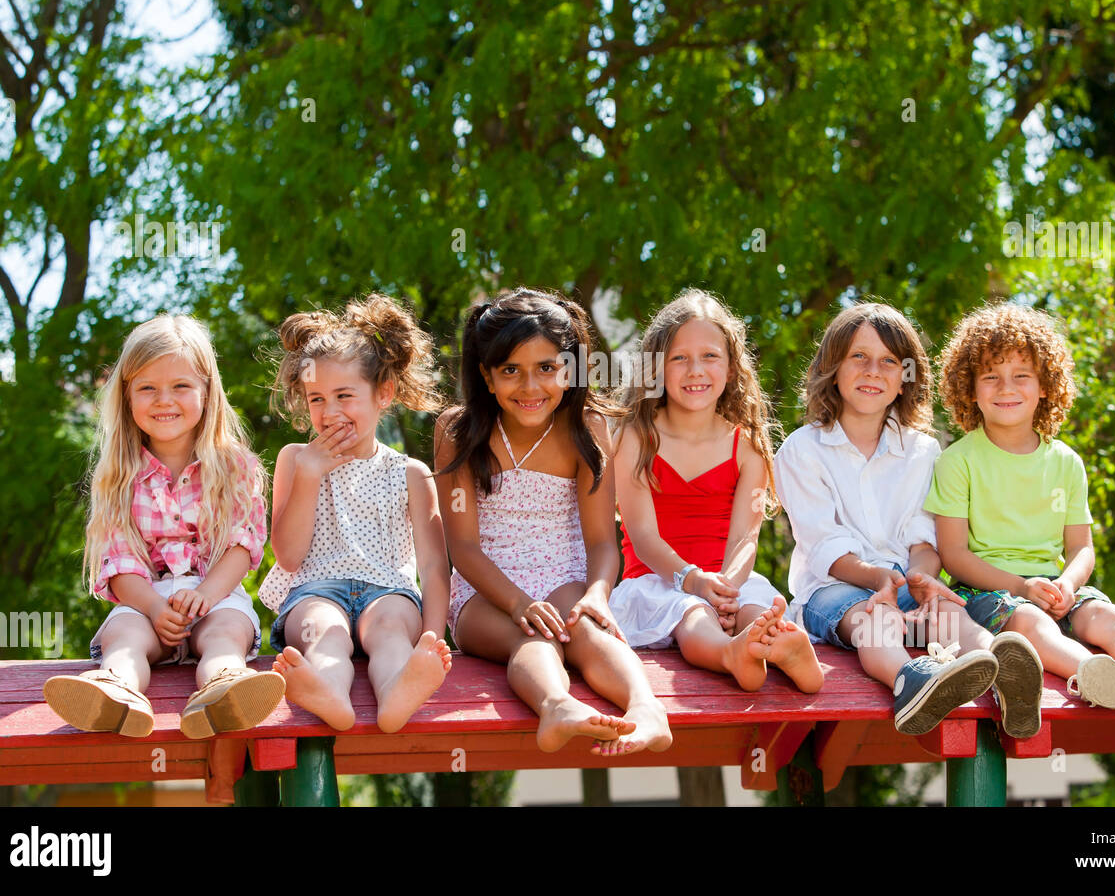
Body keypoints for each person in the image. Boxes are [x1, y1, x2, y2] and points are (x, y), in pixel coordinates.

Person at [926, 302, 1115, 711]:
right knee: (1030, 624)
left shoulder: (1066, 461)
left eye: (1021, 376)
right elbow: (954, 555)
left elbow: (1082, 548)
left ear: (1045, 385)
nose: (1006, 388)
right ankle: (1096, 674)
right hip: (989, 593)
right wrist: (1021, 587)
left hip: (1055, 586)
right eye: (990, 377)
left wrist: (1067, 585)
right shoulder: (957, 461)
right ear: (970, 388)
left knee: (1103, 616)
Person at [776, 302, 1041, 735]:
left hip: (904, 582)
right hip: (833, 592)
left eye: (888, 361)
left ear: (905, 378)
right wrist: (882, 581)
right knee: (874, 618)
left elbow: (924, 541)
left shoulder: (923, 451)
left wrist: (921, 579)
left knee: (947, 613)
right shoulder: (802, 450)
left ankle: (1004, 674)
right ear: (832, 368)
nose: (872, 371)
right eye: (858, 357)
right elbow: (824, 545)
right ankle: (910, 681)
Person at [435, 289, 672, 756]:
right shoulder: (457, 431)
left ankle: (648, 709)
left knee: (583, 629)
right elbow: (461, 548)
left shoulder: (588, 428)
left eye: (547, 368)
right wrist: (519, 602)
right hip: (485, 589)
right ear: (486, 376)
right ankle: (557, 706)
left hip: (562, 576)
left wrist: (596, 595)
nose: (530, 387)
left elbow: (604, 542)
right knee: (532, 636)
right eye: (510, 371)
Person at [44, 315, 283, 739]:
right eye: (147, 388)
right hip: (146, 600)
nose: (163, 400)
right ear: (127, 397)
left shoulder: (235, 467)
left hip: (216, 595)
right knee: (124, 636)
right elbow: (117, 565)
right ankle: (117, 689)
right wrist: (155, 610)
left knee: (225, 635)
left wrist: (206, 594)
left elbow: (242, 545)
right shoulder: (117, 475)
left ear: (207, 392)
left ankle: (223, 686)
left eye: (180, 386)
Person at [611, 290, 823, 694]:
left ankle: (787, 649)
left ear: (731, 367)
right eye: (679, 358)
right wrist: (695, 582)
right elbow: (642, 536)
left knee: (757, 608)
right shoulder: (635, 438)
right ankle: (730, 654)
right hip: (660, 580)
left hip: (728, 578)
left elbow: (746, 536)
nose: (696, 370)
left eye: (710, 356)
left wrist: (726, 587)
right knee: (692, 616)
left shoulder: (747, 445)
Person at [262, 294, 452, 733]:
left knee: (389, 632)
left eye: (344, 396)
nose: (329, 413)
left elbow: (432, 565)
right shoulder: (295, 459)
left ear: (383, 394)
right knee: (324, 629)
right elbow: (289, 557)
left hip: (389, 591)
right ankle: (328, 691)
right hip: (315, 589)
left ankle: (397, 693)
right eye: (316, 399)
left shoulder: (410, 473)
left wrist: (432, 636)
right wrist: (309, 476)